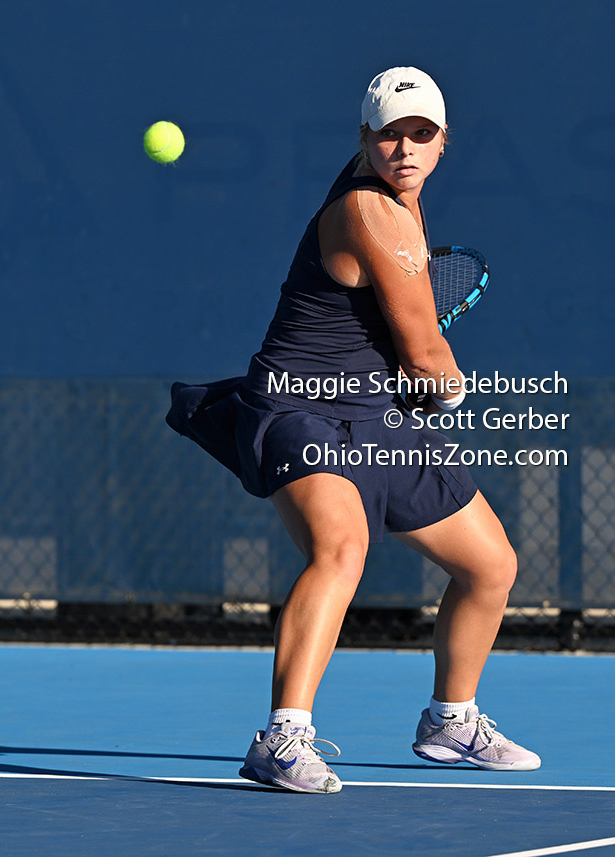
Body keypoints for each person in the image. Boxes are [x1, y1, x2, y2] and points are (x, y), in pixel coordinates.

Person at [166, 66, 540, 794]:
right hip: (299, 408)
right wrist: (449, 392)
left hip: (372, 413)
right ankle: (282, 739)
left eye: (421, 134)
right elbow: (424, 353)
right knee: (342, 548)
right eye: (391, 134)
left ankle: (451, 719)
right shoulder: (371, 211)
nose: (406, 148)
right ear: (365, 138)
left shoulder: (402, 202)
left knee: (490, 565)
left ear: (443, 142)